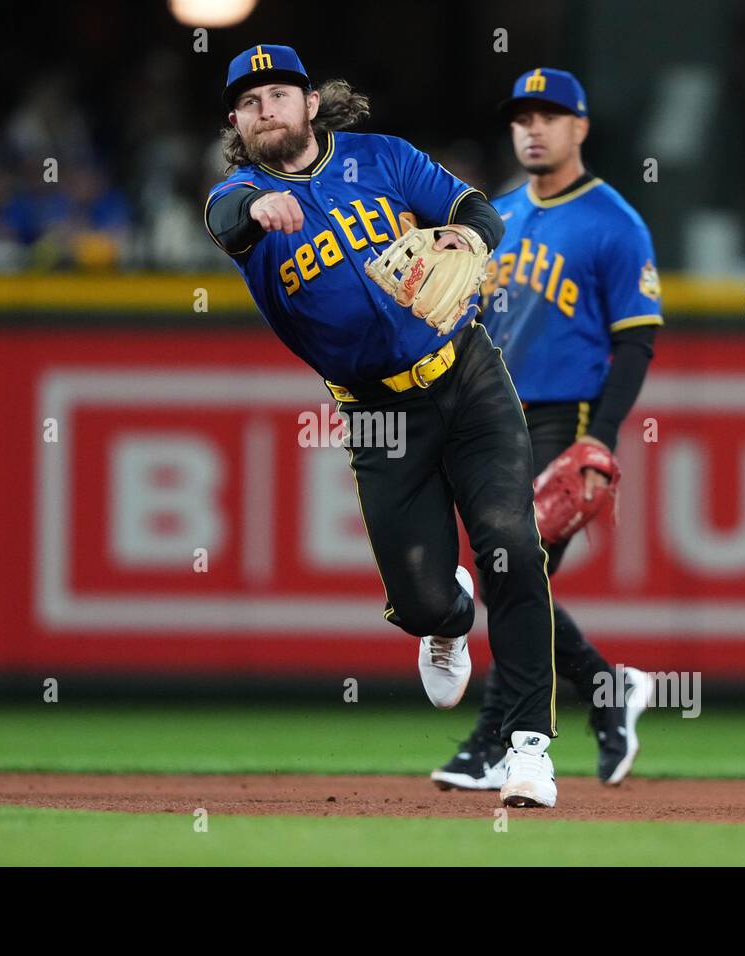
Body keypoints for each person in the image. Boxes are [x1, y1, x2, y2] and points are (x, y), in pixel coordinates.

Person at [204, 45, 558, 807]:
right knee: (424, 599)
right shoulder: (236, 193)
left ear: (309, 103)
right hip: (374, 413)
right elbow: (227, 219)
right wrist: (254, 210)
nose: (267, 108)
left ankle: (528, 746)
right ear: (237, 122)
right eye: (250, 101)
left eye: (279, 93)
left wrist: (469, 238)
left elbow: (475, 209)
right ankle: (450, 618)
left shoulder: (384, 158)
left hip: (467, 372)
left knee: (512, 544)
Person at [431, 68, 661, 791]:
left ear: (580, 128)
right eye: (523, 117)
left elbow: (636, 338)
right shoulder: (495, 216)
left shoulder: (615, 221)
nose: (534, 128)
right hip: (497, 416)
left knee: (511, 572)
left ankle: (493, 740)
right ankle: (606, 689)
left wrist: (605, 436)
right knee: (514, 576)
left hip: (571, 412)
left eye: (551, 116)